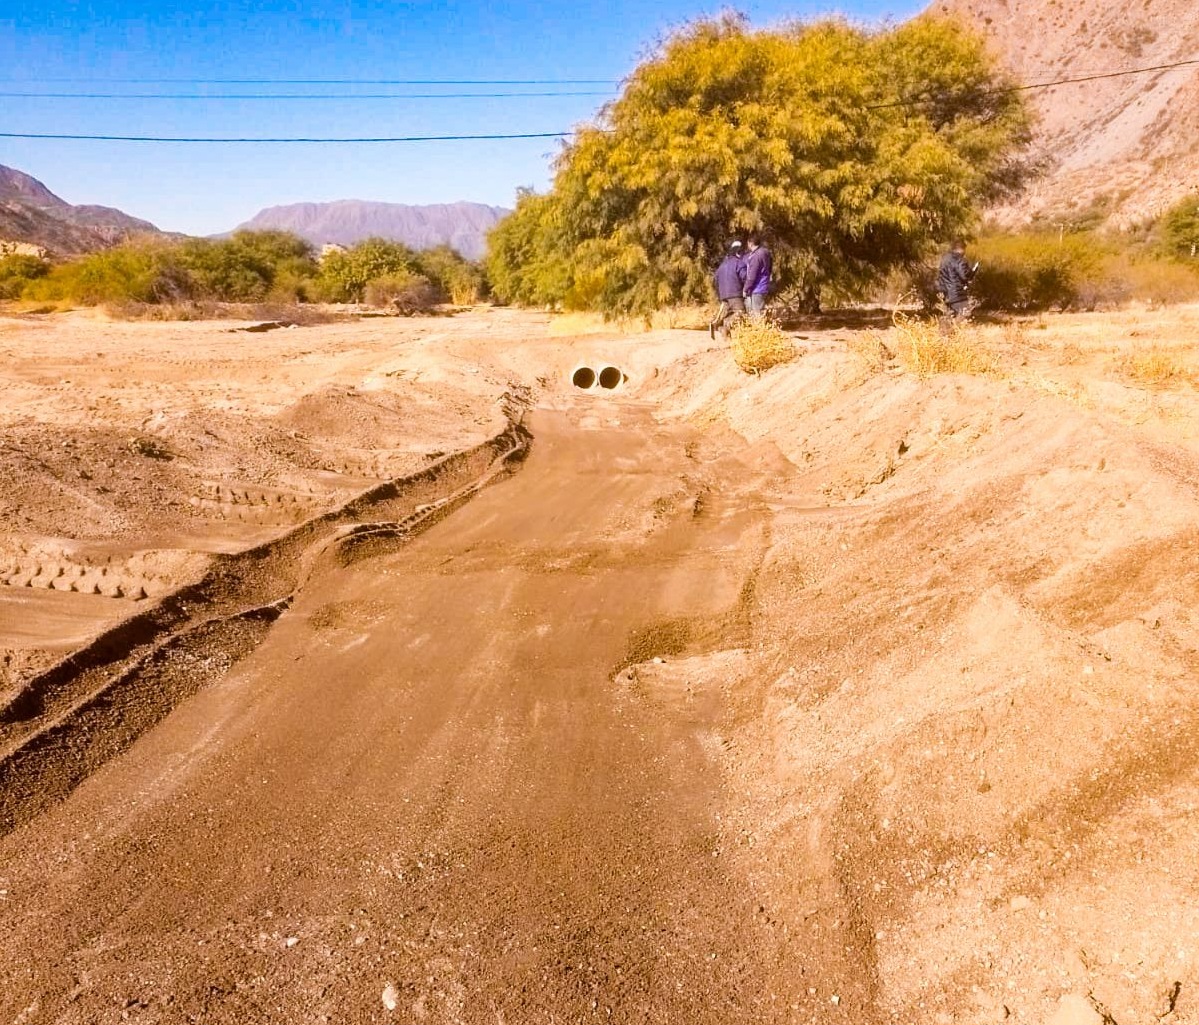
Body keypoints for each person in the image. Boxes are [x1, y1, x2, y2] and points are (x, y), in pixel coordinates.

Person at [710, 241, 746, 339]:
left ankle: (719, 327)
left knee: (728, 313)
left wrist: (720, 295)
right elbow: (744, 278)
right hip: (735, 293)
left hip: (723, 295)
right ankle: (725, 326)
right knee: (740, 313)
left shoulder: (722, 265)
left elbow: (715, 281)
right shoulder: (739, 263)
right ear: (738, 252)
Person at [936, 239, 979, 319]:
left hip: (945, 293)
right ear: (961, 249)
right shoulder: (959, 259)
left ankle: (946, 331)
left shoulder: (944, 258)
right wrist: (973, 271)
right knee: (963, 317)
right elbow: (965, 276)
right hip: (957, 294)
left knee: (949, 317)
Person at [743, 233, 773, 315]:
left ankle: (758, 327)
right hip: (763, 286)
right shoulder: (765, 253)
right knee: (760, 312)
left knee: (757, 314)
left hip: (757, 288)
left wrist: (745, 289)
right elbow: (769, 269)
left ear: (750, 243)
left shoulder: (756, 256)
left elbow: (752, 275)